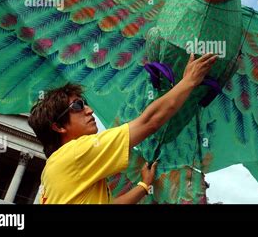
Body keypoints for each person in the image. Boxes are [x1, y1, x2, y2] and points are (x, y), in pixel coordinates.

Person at [28, 52, 218, 204]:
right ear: (58, 127)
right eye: (78, 106)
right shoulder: (77, 152)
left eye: (85, 103)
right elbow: (149, 122)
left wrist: (144, 186)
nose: (89, 110)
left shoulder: (54, 171)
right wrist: (189, 81)